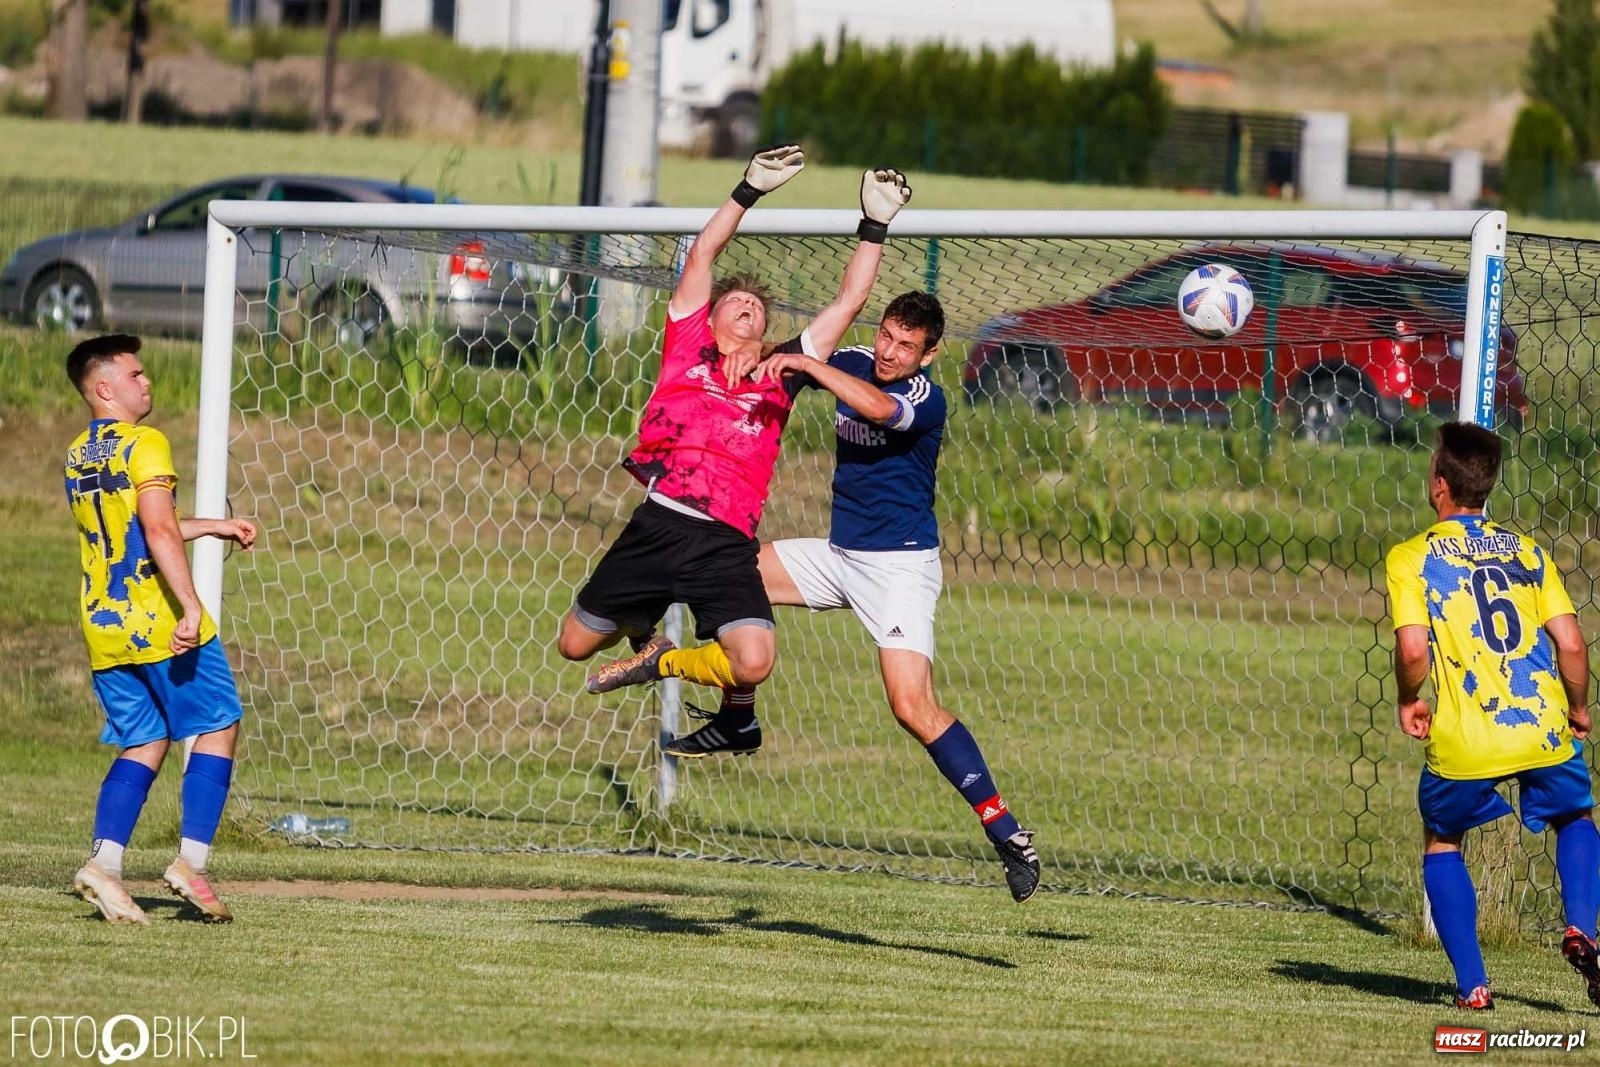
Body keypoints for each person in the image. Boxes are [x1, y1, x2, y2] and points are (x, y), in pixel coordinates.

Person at [590, 292, 1043, 903]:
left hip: (899, 569)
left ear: (930, 354)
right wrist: (748, 357)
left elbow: (878, 409)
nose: (890, 351)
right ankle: (737, 716)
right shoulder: (855, 359)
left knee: (912, 707)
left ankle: (1007, 834)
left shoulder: (921, 398)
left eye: (907, 346)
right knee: (724, 567)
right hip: (837, 555)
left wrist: (811, 367)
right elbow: (781, 361)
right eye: (886, 336)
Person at [558, 145, 912, 695]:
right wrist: (747, 191)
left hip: (725, 543)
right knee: (574, 645)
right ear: (712, 313)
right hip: (660, 524)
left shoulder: (783, 369)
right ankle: (640, 626)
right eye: (739, 302)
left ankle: (663, 661)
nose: (750, 308)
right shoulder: (687, 346)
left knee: (753, 661)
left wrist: (874, 224)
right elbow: (701, 255)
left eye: (759, 308)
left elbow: (848, 302)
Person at [1386, 421, 1600, 1010]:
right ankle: (1581, 925)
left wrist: (1409, 698)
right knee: (1576, 818)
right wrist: (1577, 708)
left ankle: (1474, 989)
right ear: (1487, 487)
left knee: (1443, 840)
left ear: (1439, 487)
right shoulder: (1527, 551)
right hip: (1541, 723)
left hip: (1466, 739)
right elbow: (1573, 644)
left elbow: (1412, 649)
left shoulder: (1413, 558)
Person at [64, 333, 255, 925]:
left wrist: (212, 526)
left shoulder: (77, 453)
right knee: (220, 723)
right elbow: (158, 532)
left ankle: (105, 862)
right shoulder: (146, 443)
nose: (147, 382)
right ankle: (191, 861)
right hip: (155, 620)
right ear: (104, 388)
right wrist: (191, 606)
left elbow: (137, 528)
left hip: (103, 623)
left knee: (145, 740)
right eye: (135, 375)